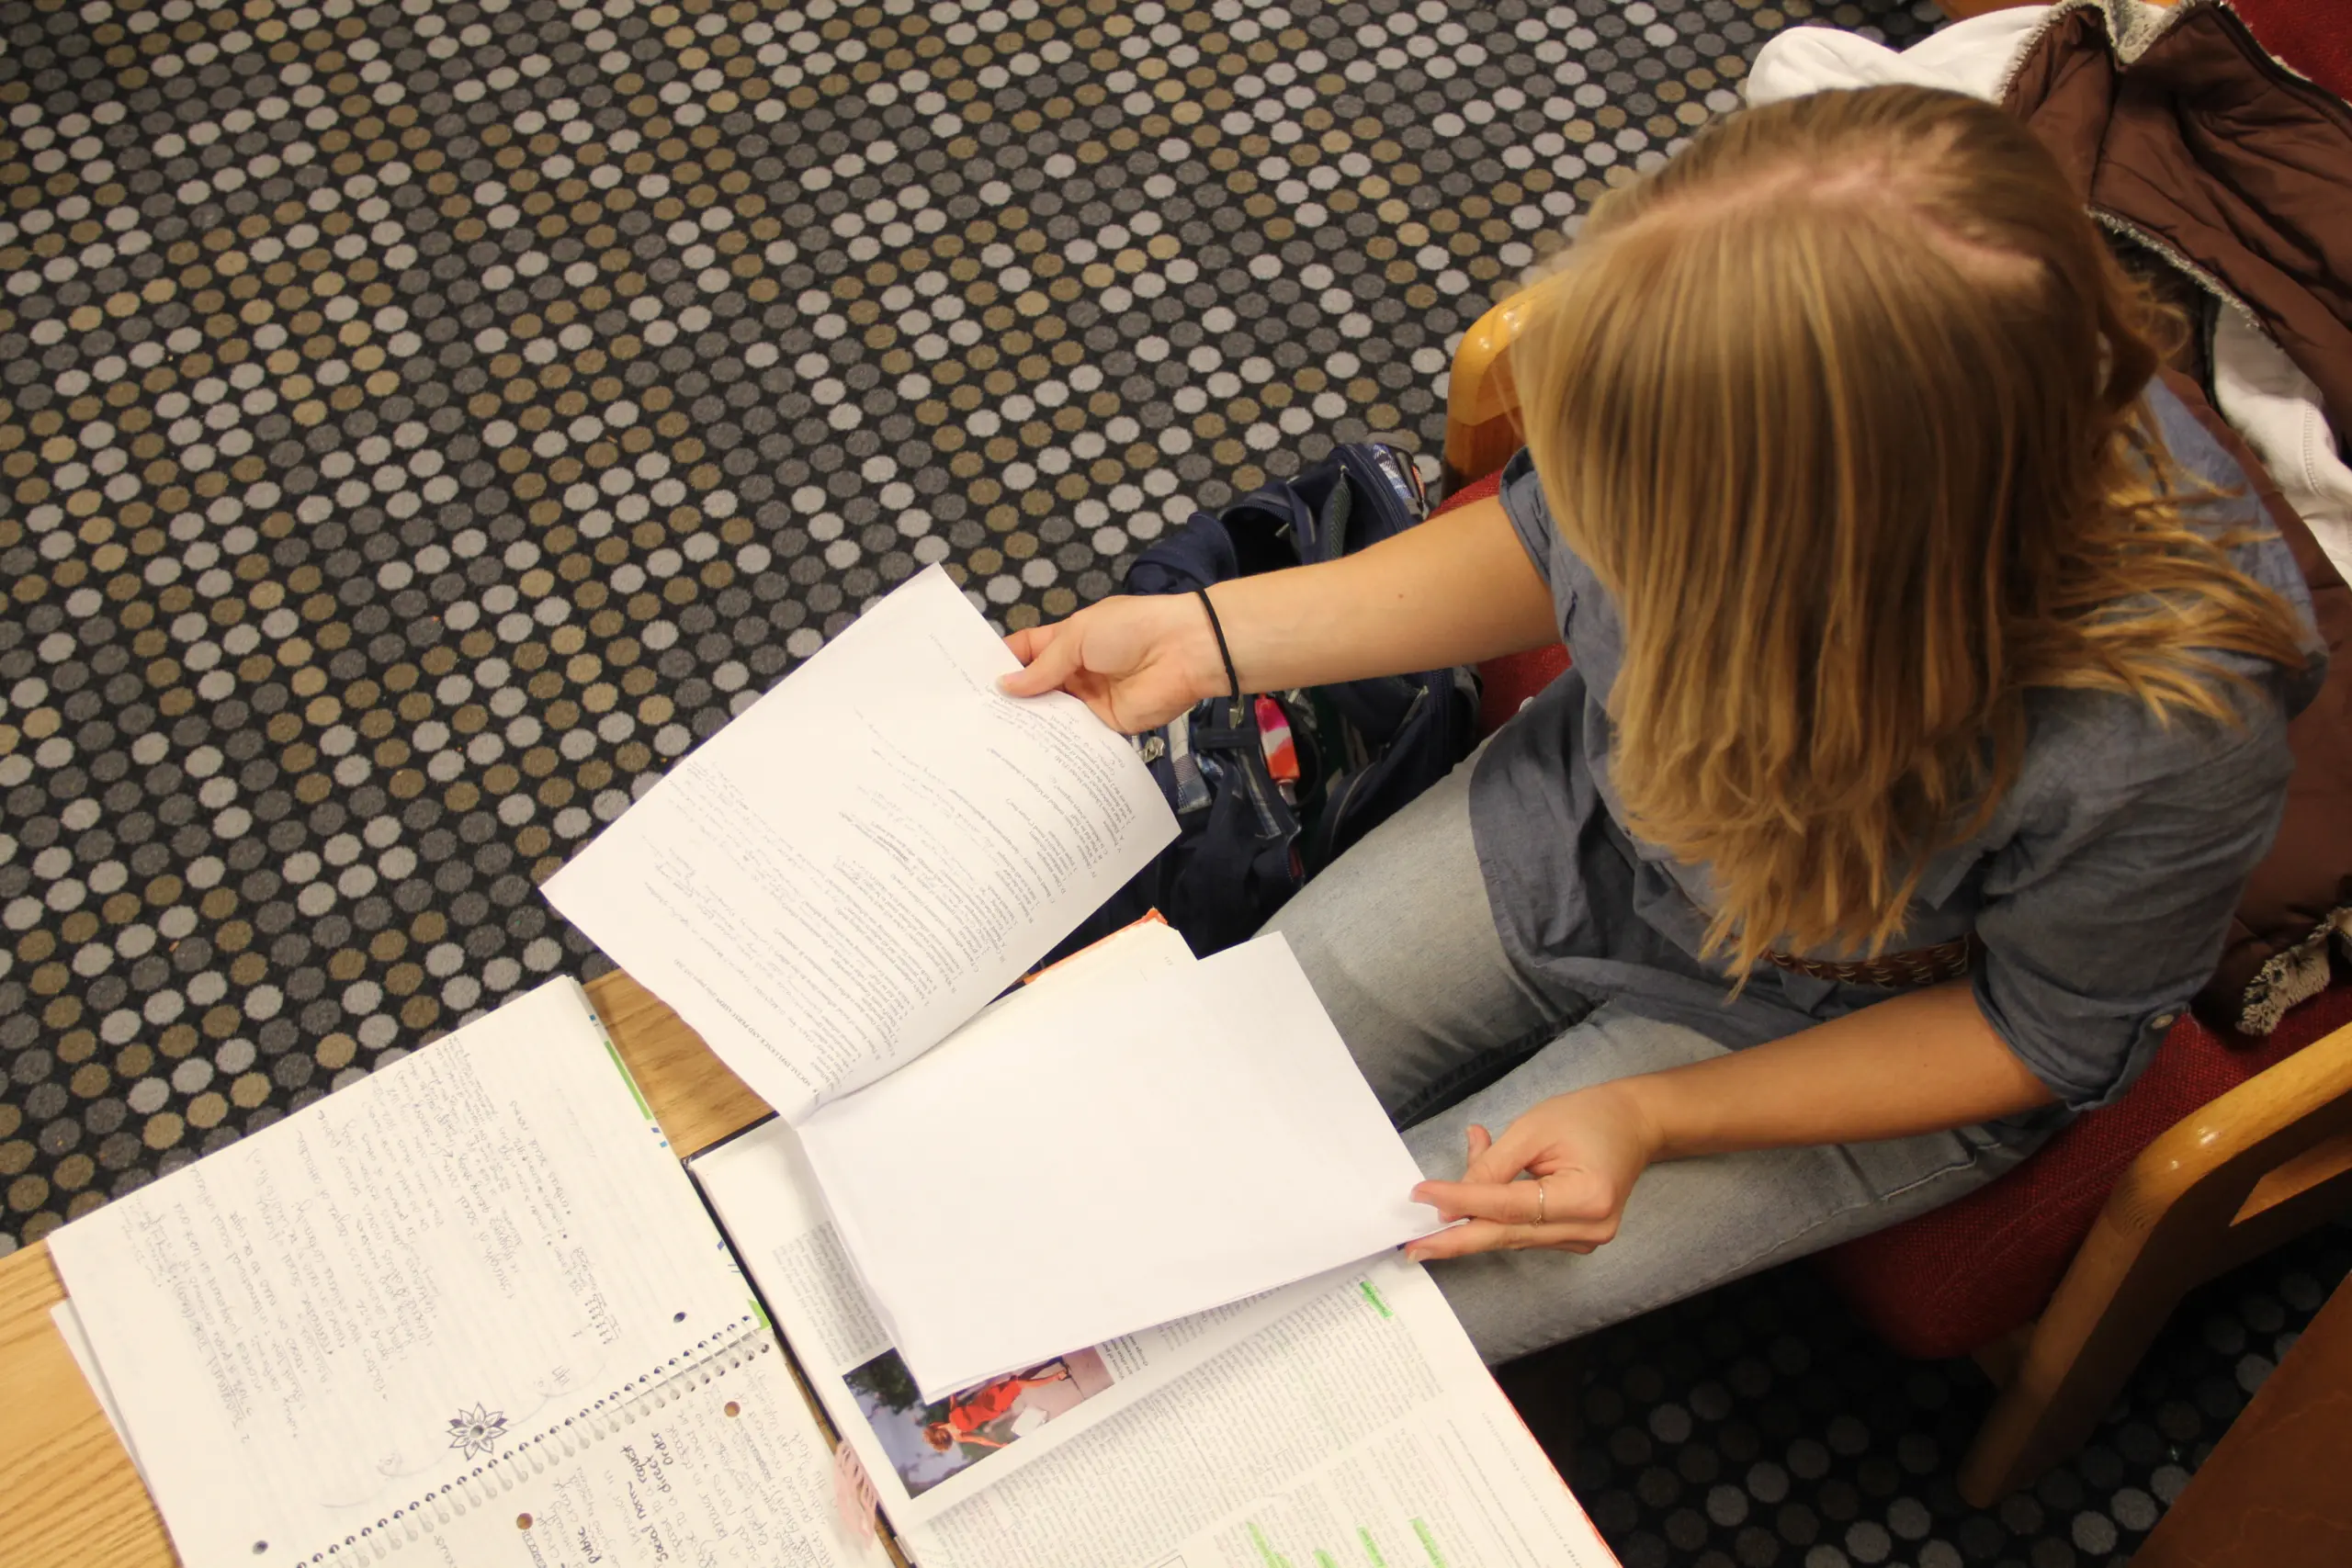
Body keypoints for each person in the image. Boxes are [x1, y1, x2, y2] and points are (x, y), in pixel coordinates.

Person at [998, 85, 2326, 1365]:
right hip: (1585, 815)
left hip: (1850, 1015)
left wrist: (1652, 1115)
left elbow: (2039, 1033)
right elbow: (1536, 542)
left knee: (1329, 1329)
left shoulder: (2174, 720)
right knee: (1190, 1100)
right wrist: (1208, 637)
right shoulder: (1721, 377)